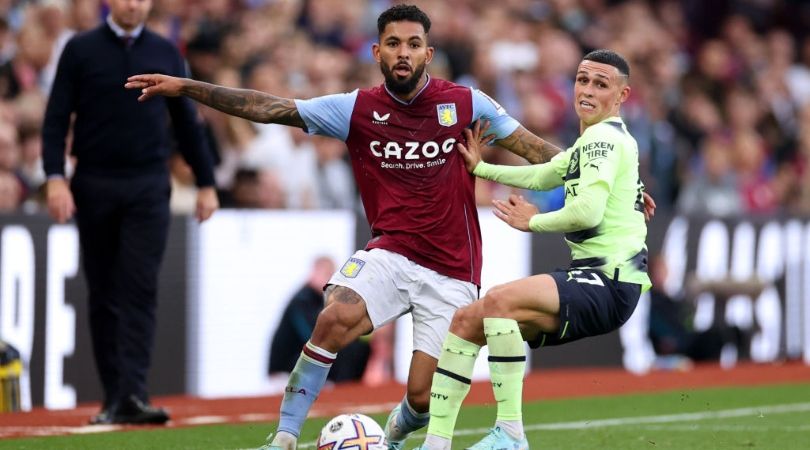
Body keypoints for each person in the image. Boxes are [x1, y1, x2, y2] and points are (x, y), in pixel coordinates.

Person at [125, 6, 653, 448]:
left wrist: (614, 185)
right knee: (335, 318)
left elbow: (536, 150)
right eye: (393, 43)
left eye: (414, 44)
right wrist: (187, 87)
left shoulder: (465, 103)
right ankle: (284, 438)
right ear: (376, 53)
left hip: (452, 269)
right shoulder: (355, 108)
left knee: (422, 398)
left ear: (429, 52)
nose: (403, 52)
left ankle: (395, 438)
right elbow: (271, 108)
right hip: (390, 252)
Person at [414, 49, 652, 450]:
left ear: (622, 95)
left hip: (608, 281)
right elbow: (544, 174)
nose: (588, 90)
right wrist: (481, 169)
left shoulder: (603, 140)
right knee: (467, 321)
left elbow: (587, 210)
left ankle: (510, 432)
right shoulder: (591, 144)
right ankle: (435, 443)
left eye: (601, 83)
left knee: (498, 300)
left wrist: (533, 222)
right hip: (596, 280)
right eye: (582, 79)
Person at [41, 0, 218, 425]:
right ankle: (113, 398)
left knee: (139, 288)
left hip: (147, 184)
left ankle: (134, 394)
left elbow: (186, 121)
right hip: (95, 182)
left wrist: (207, 182)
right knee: (103, 292)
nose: (132, 4)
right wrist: (54, 176)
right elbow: (55, 117)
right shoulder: (80, 49)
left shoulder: (165, 50)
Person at [268, 256, 371, 383]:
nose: (329, 280)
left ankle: (348, 390)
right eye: (326, 274)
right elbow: (314, 335)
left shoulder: (317, 300)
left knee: (356, 347)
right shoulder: (301, 301)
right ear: (314, 272)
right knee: (341, 349)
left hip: (302, 365)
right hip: (285, 371)